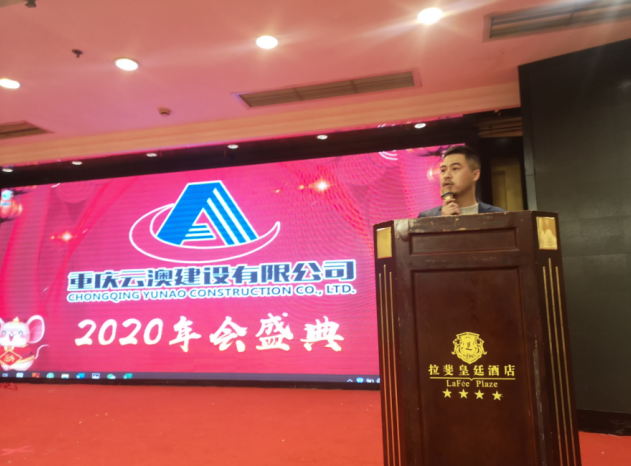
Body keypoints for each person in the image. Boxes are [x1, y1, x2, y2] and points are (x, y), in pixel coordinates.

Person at [418, 145, 505, 217]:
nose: (446, 175)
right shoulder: (426, 218)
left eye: (455, 168)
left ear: (475, 175)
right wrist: (443, 223)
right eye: (443, 170)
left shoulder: (499, 216)